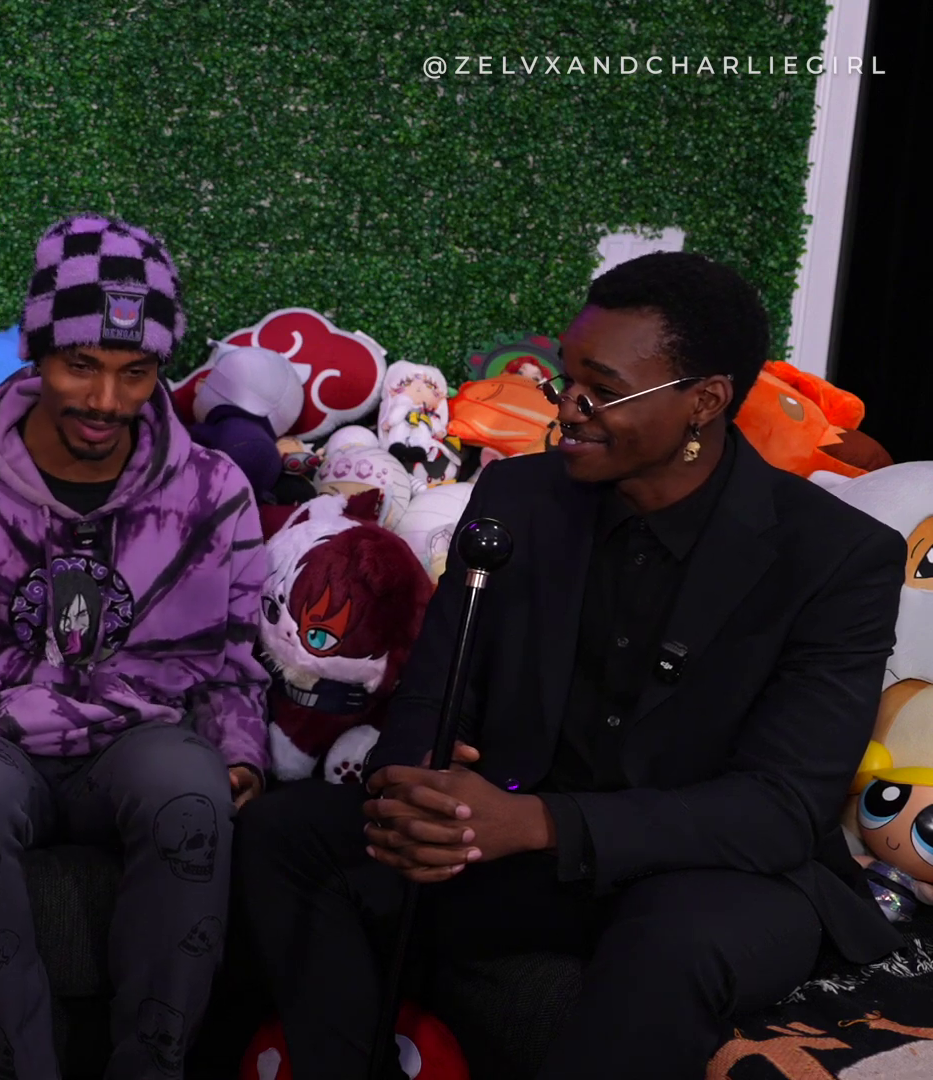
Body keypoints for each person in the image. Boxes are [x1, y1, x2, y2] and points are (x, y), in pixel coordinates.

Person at [237, 251, 907, 1080]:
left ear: (704, 402)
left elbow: (778, 809)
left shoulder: (835, 555)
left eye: (602, 390)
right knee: (286, 835)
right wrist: (417, 787)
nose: (567, 408)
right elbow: (434, 691)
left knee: (671, 940)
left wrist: (543, 823)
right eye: (567, 378)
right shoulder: (518, 499)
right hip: (518, 848)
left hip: (713, 866)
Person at [0, 213, 271, 1079]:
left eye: (135, 372)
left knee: (190, 795)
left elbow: (238, 663)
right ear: (35, 353)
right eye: (81, 366)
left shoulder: (213, 492)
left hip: (141, 736)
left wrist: (240, 753)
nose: (106, 402)